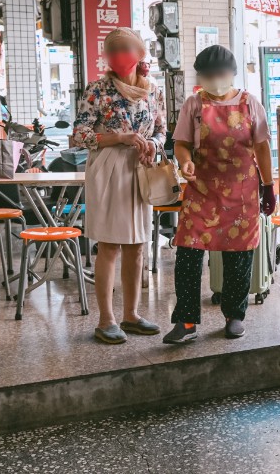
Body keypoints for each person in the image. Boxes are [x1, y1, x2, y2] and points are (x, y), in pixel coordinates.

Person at [163, 45, 276, 343]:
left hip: (242, 190)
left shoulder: (250, 104)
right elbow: (181, 143)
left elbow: (262, 146)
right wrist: (184, 161)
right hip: (202, 189)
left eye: (220, 74)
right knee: (188, 253)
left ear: (232, 74)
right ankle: (186, 321)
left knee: (239, 255)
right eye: (208, 75)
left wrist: (268, 186)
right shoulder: (194, 104)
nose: (215, 80)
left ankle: (234, 316)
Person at [73, 27, 165, 344]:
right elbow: (80, 135)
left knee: (137, 245)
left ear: (140, 53)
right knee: (109, 245)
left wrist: (153, 144)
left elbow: (162, 130)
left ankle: (131, 315)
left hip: (140, 168)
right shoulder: (97, 90)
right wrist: (120, 137)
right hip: (108, 167)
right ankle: (106, 319)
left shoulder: (153, 91)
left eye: (125, 48)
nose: (118, 55)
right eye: (112, 50)